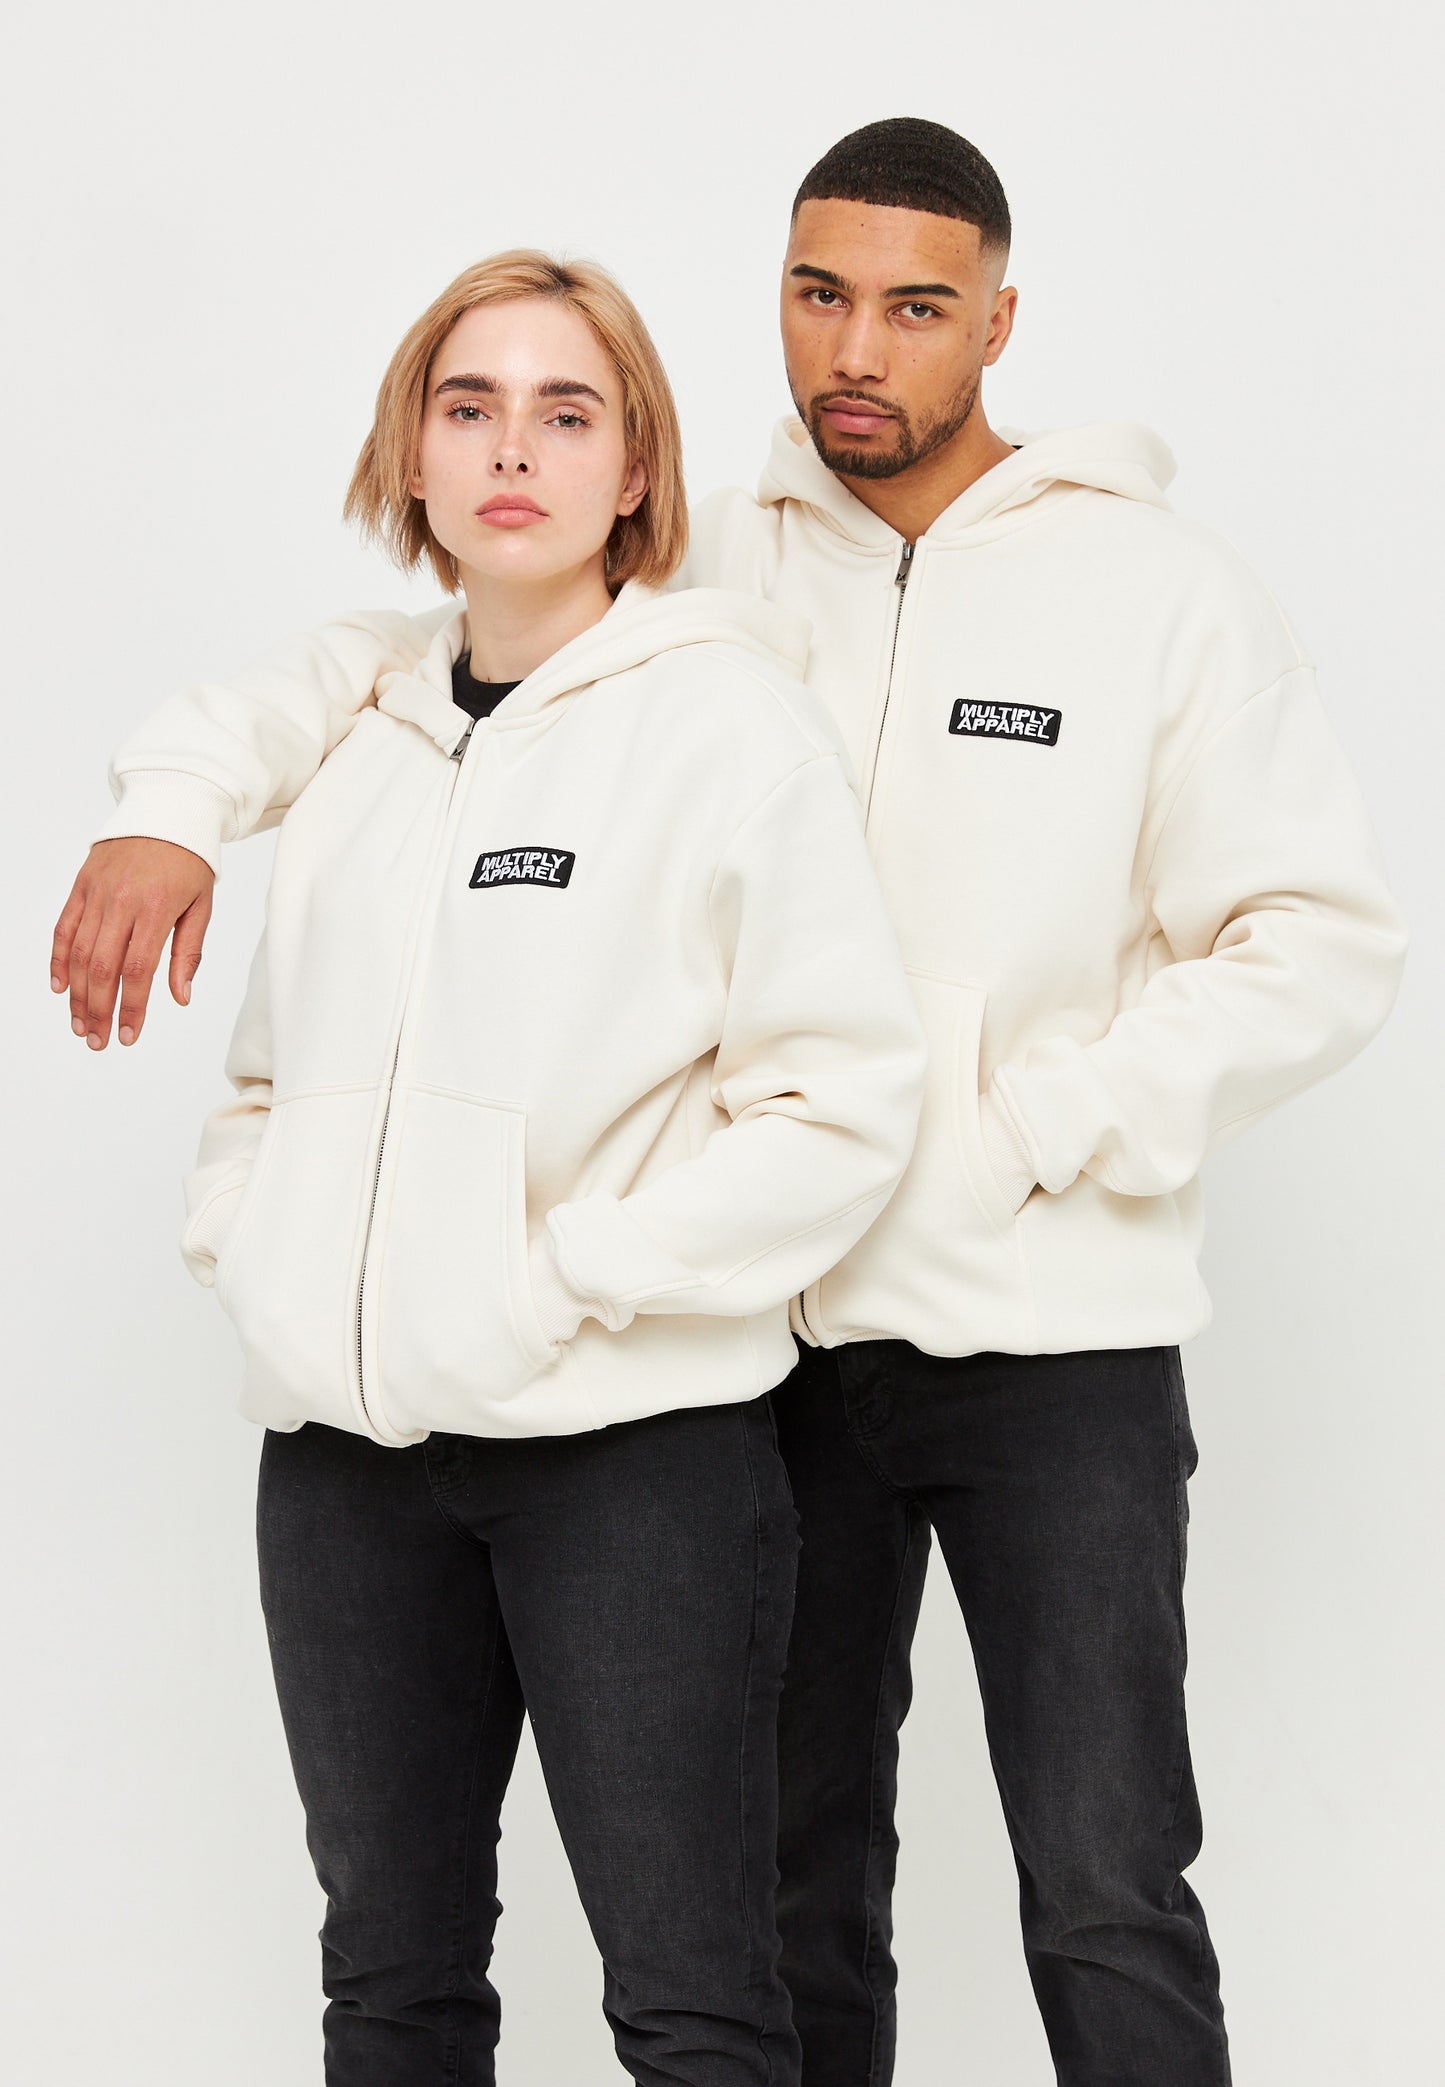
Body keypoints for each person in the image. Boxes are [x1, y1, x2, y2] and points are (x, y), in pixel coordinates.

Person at [53, 122, 1407, 2087]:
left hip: (1051, 1338)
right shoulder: (709, 565)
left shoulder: (1157, 594)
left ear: (998, 323)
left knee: (1104, 1884)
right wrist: (177, 800)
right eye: (816, 294)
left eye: (916, 308)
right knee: (788, 1897)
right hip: (766, 1353)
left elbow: (1318, 944)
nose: (856, 348)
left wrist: (1026, 1128)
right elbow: (407, 652)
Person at [111, 247, 928, 2086]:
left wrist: (558, 1281)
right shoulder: (364, 738)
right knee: (390, 1986)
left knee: (694, 2004)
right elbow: (270, 1079)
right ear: (409, 452)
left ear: (635, 469)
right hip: (344, 1471)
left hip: (630, 1466)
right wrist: (262, 1250)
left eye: (567, 413)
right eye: (467, 405)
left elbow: (840, 1104)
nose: (510, 450)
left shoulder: (724, 727)